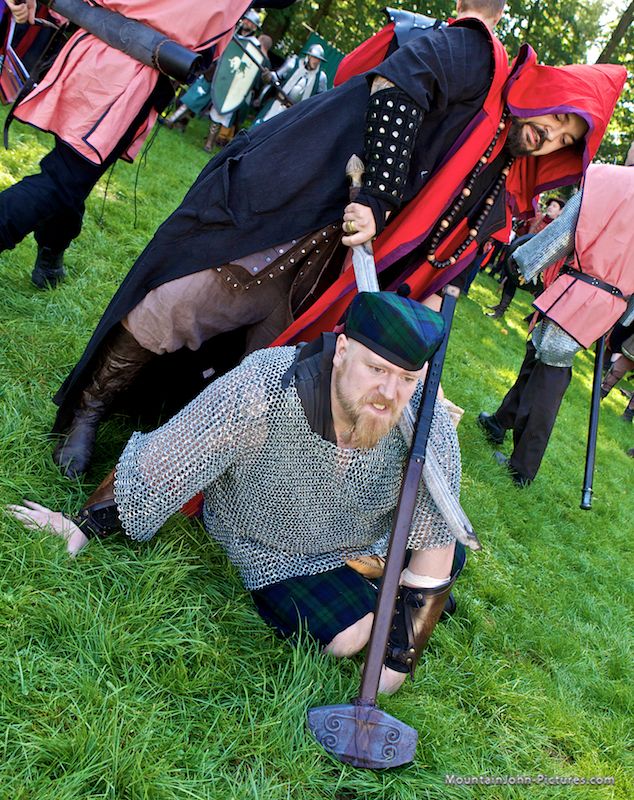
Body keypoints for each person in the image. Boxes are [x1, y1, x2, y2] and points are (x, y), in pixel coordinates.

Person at [51, 3, 626, 479]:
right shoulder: (479, 56)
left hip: (332, 272)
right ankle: (88, 410)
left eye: (567, 140)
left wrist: (423, 331)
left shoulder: (501, 174)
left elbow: (455, 260)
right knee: (185, 300)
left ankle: (193, 455)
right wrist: (377, 195)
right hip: (295, 208)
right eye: (560, 117)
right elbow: (399, 85)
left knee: (267, 368)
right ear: (548, 90)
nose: (552, 135)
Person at [9, 291, 464, 698]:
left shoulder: (428, 424)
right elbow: (174, 456)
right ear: (342, 350)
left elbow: (436, 544)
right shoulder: (268, 387)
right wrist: (84, 524)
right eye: (377, 369)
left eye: (407, 378)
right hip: (270, 540)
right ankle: (381, 583)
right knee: (349, 638)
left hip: (368, 534)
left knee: (443, 559)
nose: (389, 392)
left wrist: (396, 663)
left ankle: (380, 577)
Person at [0, 1, 294, 288]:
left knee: (71, 174)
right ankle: (48, 253)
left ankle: (51, 256)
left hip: (94, 53)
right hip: (128, 73)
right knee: (65, 178)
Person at [478, 163, 634, 485]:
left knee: (551, 368)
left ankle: (522, 467)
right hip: (608, 300)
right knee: (538, 349)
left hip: (584, 289)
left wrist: (525, 260)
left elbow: (565, 232)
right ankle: (501, 421)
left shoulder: (607, 178)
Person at [202, 10, 263, 153]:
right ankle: (209, 140)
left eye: (250, 22)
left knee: (224, 109)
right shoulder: (232, 34)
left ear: (255, 27)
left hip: (237, 81)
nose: (247, 23)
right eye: (246, 20)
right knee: (215, 105)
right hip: (222, 76)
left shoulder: (254, 45)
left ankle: (211, 142)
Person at [254, 42, 328, 125]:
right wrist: (269, 76)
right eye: (314, 57)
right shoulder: (293, 64)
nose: (316, 61)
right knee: (262, 126)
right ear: (309, 56)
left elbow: (321, 100)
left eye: (318, 59)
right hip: (278, 105)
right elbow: (277, 76)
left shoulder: (321, 78)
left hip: (295, 115)